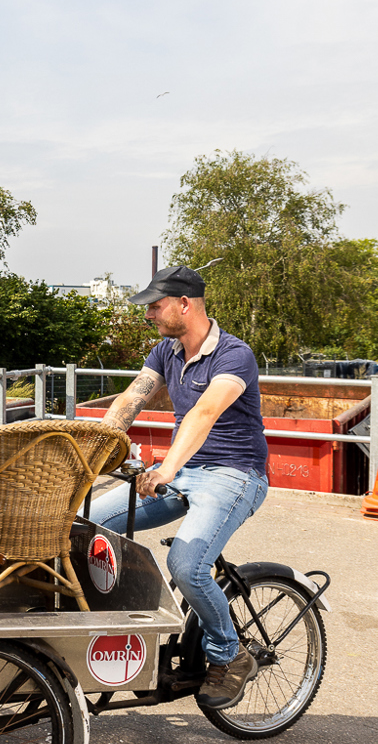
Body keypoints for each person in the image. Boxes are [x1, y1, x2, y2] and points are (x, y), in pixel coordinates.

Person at [88, 264, 270, 710]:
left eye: (155, 305)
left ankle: (230, 655)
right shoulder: (166, 352)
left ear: (184, 305)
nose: (149, 314)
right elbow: (132, 398)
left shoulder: (234, 354)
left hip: (234, 474)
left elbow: (204, 413)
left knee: (187, 566)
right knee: (88, 522)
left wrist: (167, 467)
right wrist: (92, 452)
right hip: (183, 469)